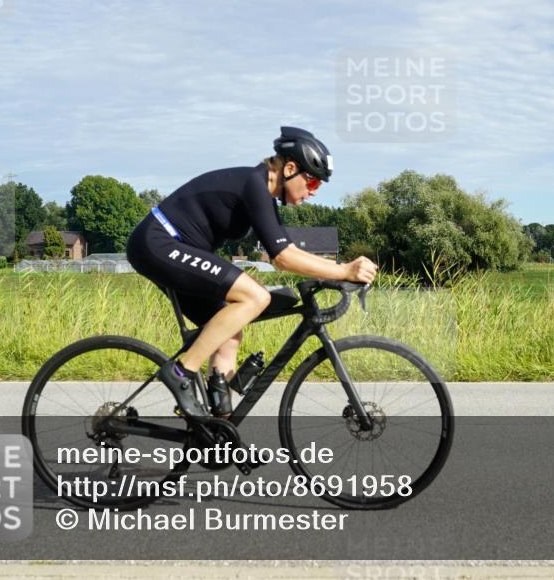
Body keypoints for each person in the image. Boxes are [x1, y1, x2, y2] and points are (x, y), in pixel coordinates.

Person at [125, 126, 377, 420]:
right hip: (158, 241)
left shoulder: (262, 194)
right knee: (255, 297)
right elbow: (282, 258)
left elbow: (288, 248)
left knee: (229, 334)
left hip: (171, 245)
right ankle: (181, 371)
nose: (312, 193)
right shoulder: (253, 184)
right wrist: (344, 270)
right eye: (313, 183)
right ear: (291, 168)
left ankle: (216, 429)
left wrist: (337, 272)